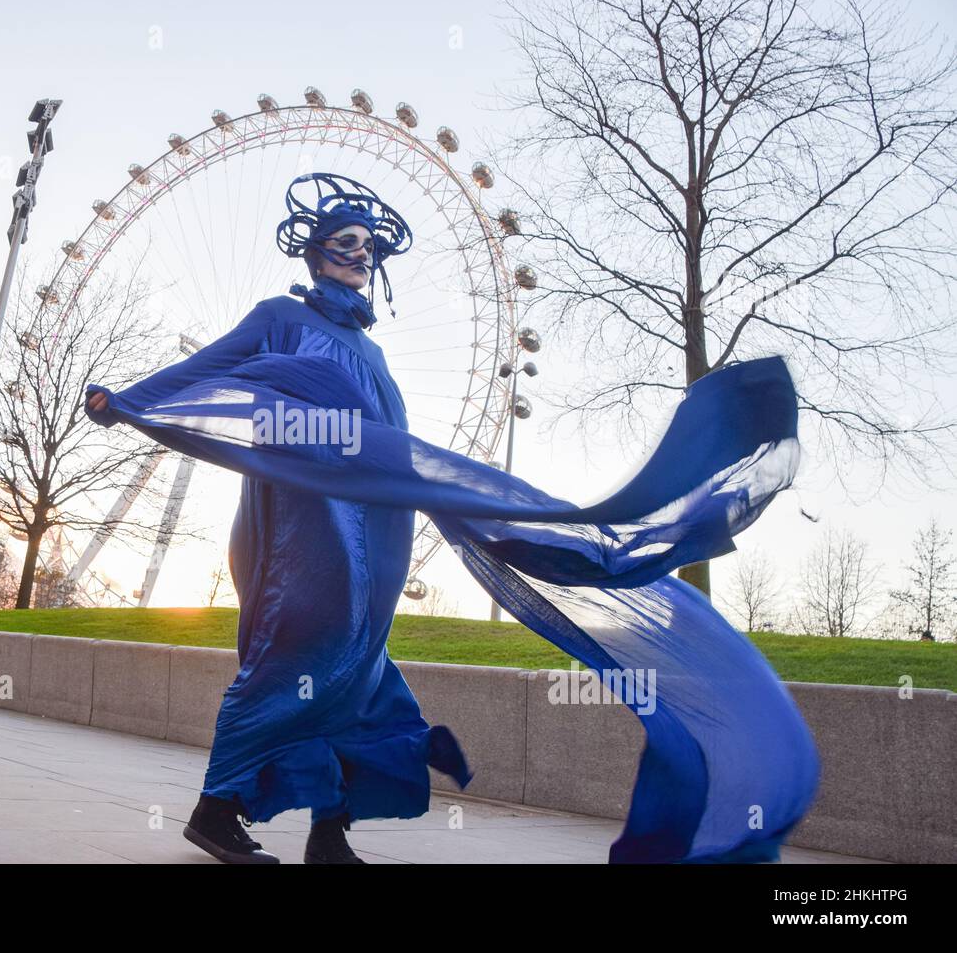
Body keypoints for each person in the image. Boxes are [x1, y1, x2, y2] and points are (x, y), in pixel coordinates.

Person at [85, 173, 819, 865]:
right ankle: (216, 807)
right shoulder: (278, 318)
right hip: (301, 526)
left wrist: (473, 505)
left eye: (369, 248)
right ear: (315, 253)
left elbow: (392, 447)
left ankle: (329, 834)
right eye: (347, 243)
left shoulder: (372, 350)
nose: (360, 257)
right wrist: (127, 400)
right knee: (291, 654)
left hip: (378, 529)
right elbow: (209, 369)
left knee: (362, 669)